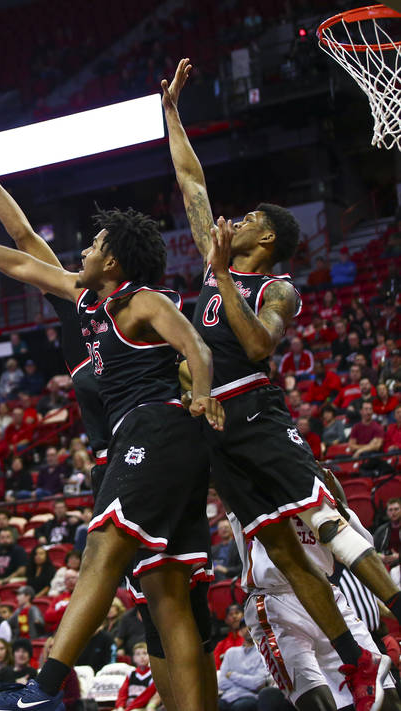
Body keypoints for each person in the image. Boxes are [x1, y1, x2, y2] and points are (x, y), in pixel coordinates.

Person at [0, 199, 221, 710]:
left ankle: (43, 689)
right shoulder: (86, 302)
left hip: (155, 428)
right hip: (150, 442)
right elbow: (21, 262)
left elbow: (198, 349)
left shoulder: (144, 301)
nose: (84, 250)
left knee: (100, 553)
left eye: (95, 245)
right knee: (166, 594)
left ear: (113, 262)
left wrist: (203, 393)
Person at [165, 57, 395, 706]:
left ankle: (397, 610)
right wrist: (173, 113)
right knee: (280, 551)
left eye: (250, 220)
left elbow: (260, 343)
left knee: (323, 521)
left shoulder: (276, 287)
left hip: (258, 414)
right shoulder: (219, 263)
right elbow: (191, 183)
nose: (234, 219)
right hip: (212, 429)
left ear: (265, 237)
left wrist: (224, 278)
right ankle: (353, 661)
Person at [227, 472, 401, 711]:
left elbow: (361, 544)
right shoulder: (249, 491)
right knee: (317, 703)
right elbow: (220, 476)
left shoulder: (315, 491)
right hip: (274, 602)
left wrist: (333, 495)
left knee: (386, 696)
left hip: (326, 596)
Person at [217, 622, 269, 711]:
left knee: (239, 707)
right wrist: (247, 682)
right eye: (244, 627)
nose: (248, 629)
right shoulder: (231, 652)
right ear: (240, 632)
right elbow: (222, 683)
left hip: (249, 697)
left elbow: (257, 683)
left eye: (251, 626)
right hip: (228, 696)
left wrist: (232, 675)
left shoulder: (263, 653)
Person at [113, 643, 158, 711]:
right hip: (128, 707)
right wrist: (120, 707)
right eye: (138, 654)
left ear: (150, 656)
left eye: (145, 653)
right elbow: (122, 693)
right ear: (134, 658)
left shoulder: (153, 675)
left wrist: (129, 709)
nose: (142, 656)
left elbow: (146, 696)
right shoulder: (131, 674)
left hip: (142, 707)